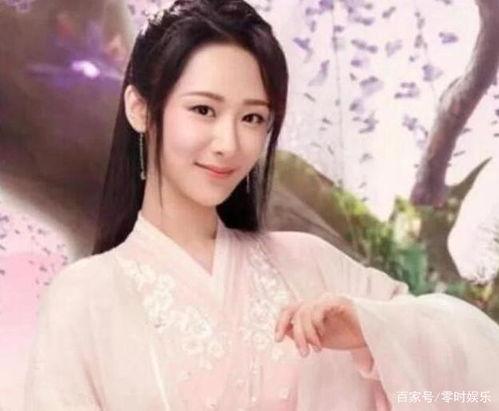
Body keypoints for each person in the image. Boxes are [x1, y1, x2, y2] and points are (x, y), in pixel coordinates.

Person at [23, 0, 499, 410]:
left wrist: (373, 333)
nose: (229, 144)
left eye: (252, 117)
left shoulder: (312, 265)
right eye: (203, 110)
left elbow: (479, 385)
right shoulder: (83, 298)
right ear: (140, 108)